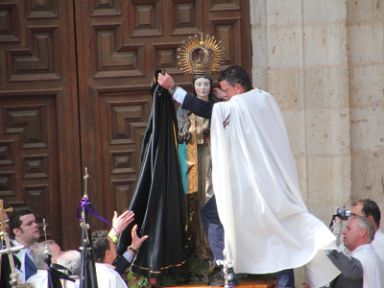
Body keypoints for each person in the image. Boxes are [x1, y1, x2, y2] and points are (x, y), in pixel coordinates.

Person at [158, 65, 339, 288]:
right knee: (280, 235)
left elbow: (207, 111)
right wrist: (223, 98)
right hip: (274, 183)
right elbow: (233, 112)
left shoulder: (237, 106)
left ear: (238, 88)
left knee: (213, 215)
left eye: (225, 90)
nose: (222, 94)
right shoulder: (265, 98)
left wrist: (172, 88)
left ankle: (227, 271)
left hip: (248, 184)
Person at [327, 215, 384, 287]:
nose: (344, 232)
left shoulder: (366, 255)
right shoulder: (368, 254)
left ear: (362, 232)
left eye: (349, 229)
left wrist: (329, 249)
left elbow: (353, 271)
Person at [8, 208, 40, 282]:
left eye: (35, 222)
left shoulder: (42, 248)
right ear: (17, 231)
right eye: (29, 224)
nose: (36, 225)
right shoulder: (11, 254)